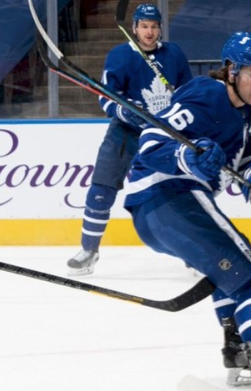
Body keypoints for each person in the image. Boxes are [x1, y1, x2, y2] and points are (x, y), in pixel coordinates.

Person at [122, 31, 251, 390]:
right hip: (166, 197)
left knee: (232, 271)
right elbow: (150, 142)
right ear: (231, 70)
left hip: (165, 208)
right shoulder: (205, 95)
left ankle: (239, 351)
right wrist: (186, 155)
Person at [67, 3, 193, 276]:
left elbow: (187, 92)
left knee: (177, 193)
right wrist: (125, 110)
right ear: (135, 28)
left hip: (163, 135)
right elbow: (106, 96)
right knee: (101, 190)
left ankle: (193, 252)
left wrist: (178, 115)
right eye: (144, 26)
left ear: (160, 28)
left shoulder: (174, 55)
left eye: (154, 26)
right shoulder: (120, 56)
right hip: (125, 133)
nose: (149, 31)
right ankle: (89, 250)